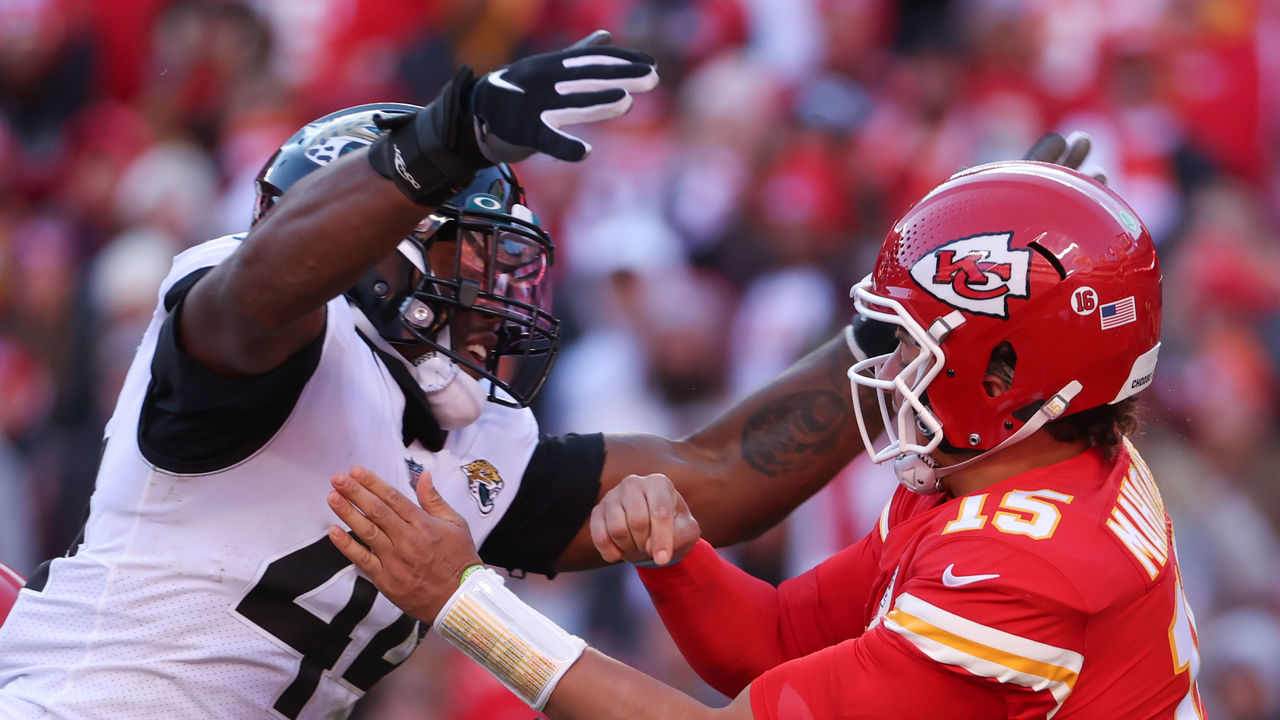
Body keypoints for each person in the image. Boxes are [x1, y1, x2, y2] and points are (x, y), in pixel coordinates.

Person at [0, 31, 900, 720]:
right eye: (471, 260)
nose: (498, 293)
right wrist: (445, 143)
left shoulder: (472, 441)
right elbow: (268, 283)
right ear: (375, 255)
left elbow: (720, 475)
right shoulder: (256, 332)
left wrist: (904, 336)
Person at [326, 159, 1205, 719]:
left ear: (1010, 373)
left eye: (916, 341)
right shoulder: (1011, 473)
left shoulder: (1024, 569)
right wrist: (676, 559)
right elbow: (784, 642)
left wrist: (464, 605)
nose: (891, 364)